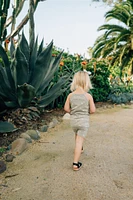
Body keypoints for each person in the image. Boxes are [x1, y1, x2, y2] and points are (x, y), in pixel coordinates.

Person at [64, 71, 96, 171]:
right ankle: (75, 163)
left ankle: (80, 148)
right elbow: (93, 110)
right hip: (83, 122)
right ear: (87, 82)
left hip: (74, 122)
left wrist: (72, 111)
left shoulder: (70, 95)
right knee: (79, 140)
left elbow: (66, 108)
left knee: (77, 135)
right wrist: (87, 112)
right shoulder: (88, 96)